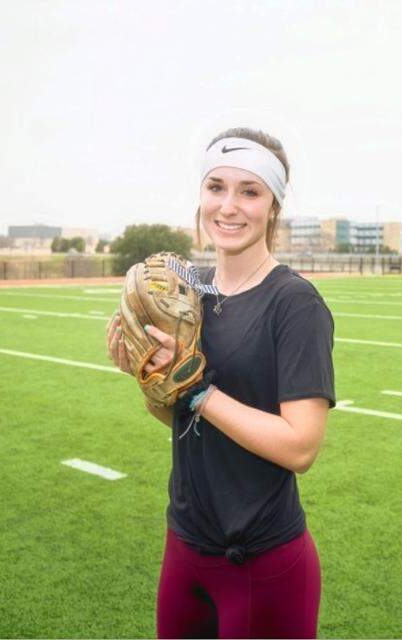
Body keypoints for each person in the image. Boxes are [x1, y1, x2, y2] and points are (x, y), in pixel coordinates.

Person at [106, 127, 334, 638]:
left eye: (249, 191)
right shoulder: (190, 295)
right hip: (185, 544)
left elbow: (300, 447)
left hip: (259, 562)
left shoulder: (295, 304)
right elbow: (177, 417)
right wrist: (147, 377)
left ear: (273, 205)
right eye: (216, 187)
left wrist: (196, 389)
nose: (229, 207)